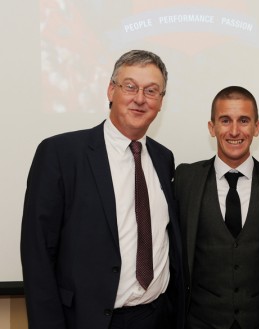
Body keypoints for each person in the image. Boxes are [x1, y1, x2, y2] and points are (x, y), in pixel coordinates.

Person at [21, 50, 185, 329]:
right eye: (130, 86)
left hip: (157, 318)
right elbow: (37, 252)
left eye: (152, 91)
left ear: (161, 101)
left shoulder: (163, 158)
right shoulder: (61, 154)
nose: (140, 98)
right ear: (111, 90)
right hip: (89, 321)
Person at [174, 86, 259, 329]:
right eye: (225, 120)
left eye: (244, 121)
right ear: (212, 127)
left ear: (257, 128)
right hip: (199, 322)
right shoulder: (185, 180)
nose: (235, 131)